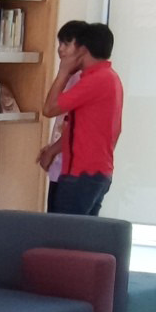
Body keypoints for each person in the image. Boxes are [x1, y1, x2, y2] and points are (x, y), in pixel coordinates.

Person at [39, 20, 122, 216]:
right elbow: (79, 128)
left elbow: (49, 108)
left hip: (82, 174)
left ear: (82, 50)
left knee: (64, 232)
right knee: (82, 233)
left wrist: (63, 72)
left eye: (68, 44)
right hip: (96, 172)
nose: (61, 50)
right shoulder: (110, 77)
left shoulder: (95, 80)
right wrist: (52, 150)